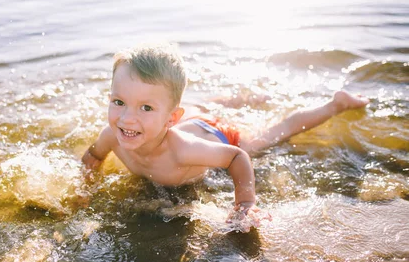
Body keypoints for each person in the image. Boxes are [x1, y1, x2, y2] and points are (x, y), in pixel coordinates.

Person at [81, 46, 369, 229]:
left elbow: (236, 157)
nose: (127, 118)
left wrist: (245, 204)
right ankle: (236, 99)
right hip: (190, 119)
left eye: (145, 107)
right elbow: (93, 157)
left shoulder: (182, 151)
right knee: (197, 109)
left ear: (170, 118)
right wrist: (84, 189)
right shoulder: (112, 136)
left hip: (214, 133)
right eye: (119, 102)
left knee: (266, 139)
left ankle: (336, 104)